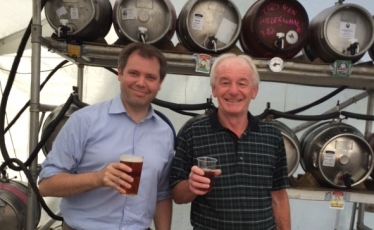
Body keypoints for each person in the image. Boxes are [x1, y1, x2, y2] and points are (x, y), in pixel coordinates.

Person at [38, 42, 175, 230]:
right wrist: (98, 178)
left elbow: (162, 193)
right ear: (120, 73)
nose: (141, 83)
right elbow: (46, 185)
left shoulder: (165, 133)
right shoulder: (84, 121)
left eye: (150, 77)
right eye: (134, 73)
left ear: (159, 84)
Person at [169, 53, 291, 230]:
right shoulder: (193, 131)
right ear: (214, 89)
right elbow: (176, 195)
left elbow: (279, 196)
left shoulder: (271, 136)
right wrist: (190, 185)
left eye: (242, 83)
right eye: (225, 82)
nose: (233, 91)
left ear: (254, 91)